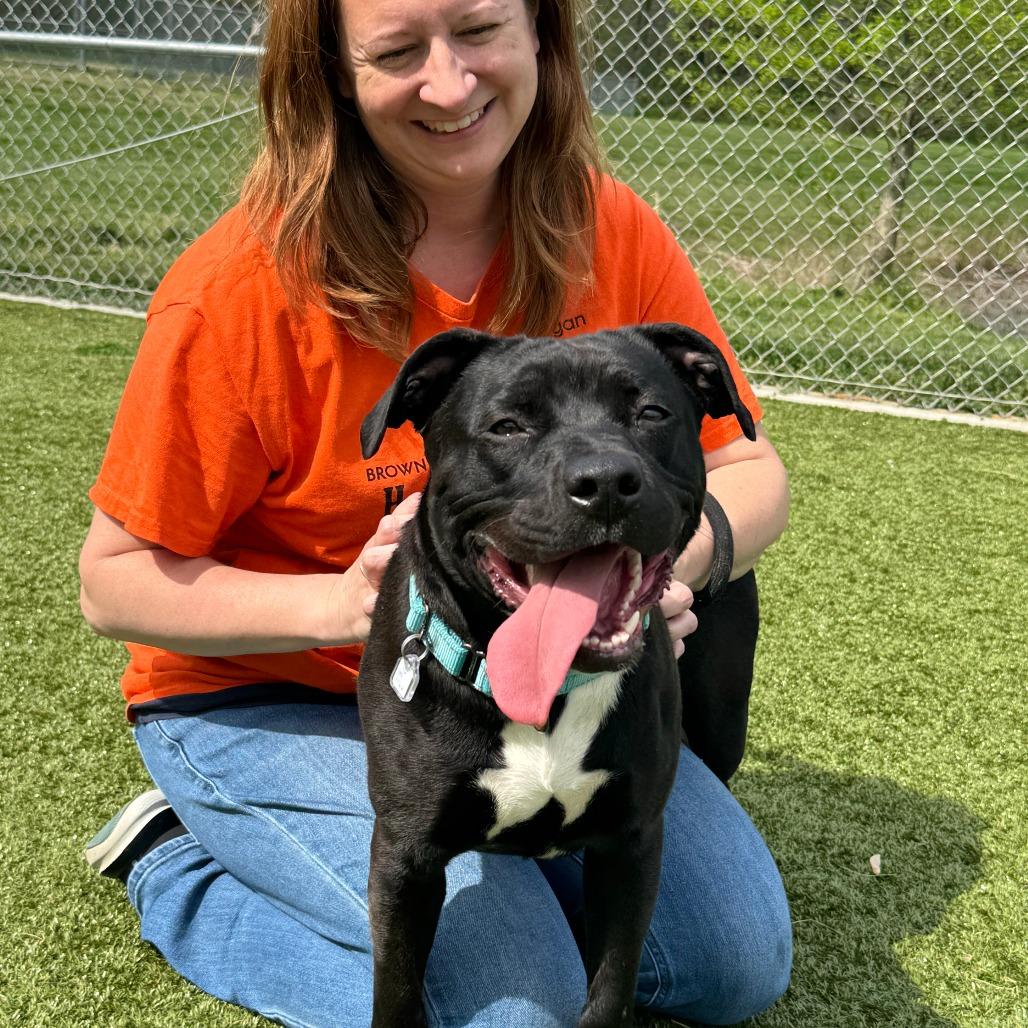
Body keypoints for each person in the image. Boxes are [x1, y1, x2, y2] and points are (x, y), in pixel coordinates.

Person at [79, 0, 793, 1024]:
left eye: (476, 30)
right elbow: (112, 580)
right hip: (267, 692)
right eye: (399, 51)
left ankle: (526, 831)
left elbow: (748, 469)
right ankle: (176, 861)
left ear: (539, 33)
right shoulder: (237, 288)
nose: (450, 84)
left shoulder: (608, 225)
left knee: (731, 964)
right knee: (518, 1010)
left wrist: (667, 574)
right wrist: (339, 604)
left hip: (542, 687)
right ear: (331, 71)